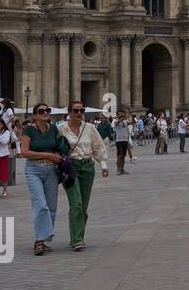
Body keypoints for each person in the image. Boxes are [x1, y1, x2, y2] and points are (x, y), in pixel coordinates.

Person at [57, 101, 109, 251]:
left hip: (87, 167)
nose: (79, 113)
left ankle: (77, 235)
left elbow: (98, 146)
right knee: (76, 204)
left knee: (83, 206)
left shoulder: (90, 128)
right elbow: (56, 147)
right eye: (76, 110)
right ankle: (77, 239)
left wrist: (103, 165)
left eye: (82, 110)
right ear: (69, 112)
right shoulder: (61, 129)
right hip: (71, 168)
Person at [21, 103, 63, 255]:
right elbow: (24, 152)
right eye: (41, 111)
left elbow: (58, 147)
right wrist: (47, 155)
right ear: (34, 115)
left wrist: (57, 155)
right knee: (40, 203)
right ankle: (39, 240)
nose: (45, 113)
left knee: (51, 207)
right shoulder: (29, 130)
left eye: (47, 110)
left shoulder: (53, 129)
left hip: (51, 170)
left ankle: (44, 239)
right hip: (34, 170)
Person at [113, 109, 133, 175]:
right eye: (120, 113)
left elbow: (131, 122)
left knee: (124, 156)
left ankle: (122, 169)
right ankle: (118, 169)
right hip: (119, 140)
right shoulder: (115, 120)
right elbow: (117, 123)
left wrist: (129, 114)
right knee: (120, 155)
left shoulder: (125, 121)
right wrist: (122, 117)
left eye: (122, 113)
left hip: (125, 140)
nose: (121, 114)